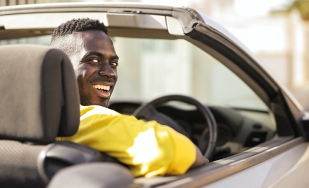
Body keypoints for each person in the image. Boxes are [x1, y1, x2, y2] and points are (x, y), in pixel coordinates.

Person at [51, 18, 208, 178]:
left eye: (113, 63)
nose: (110, 72)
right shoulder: (85, 120)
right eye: (94, 60)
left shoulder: (38, 120)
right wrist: (203, 158)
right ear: (60, 69)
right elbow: (167, 150)